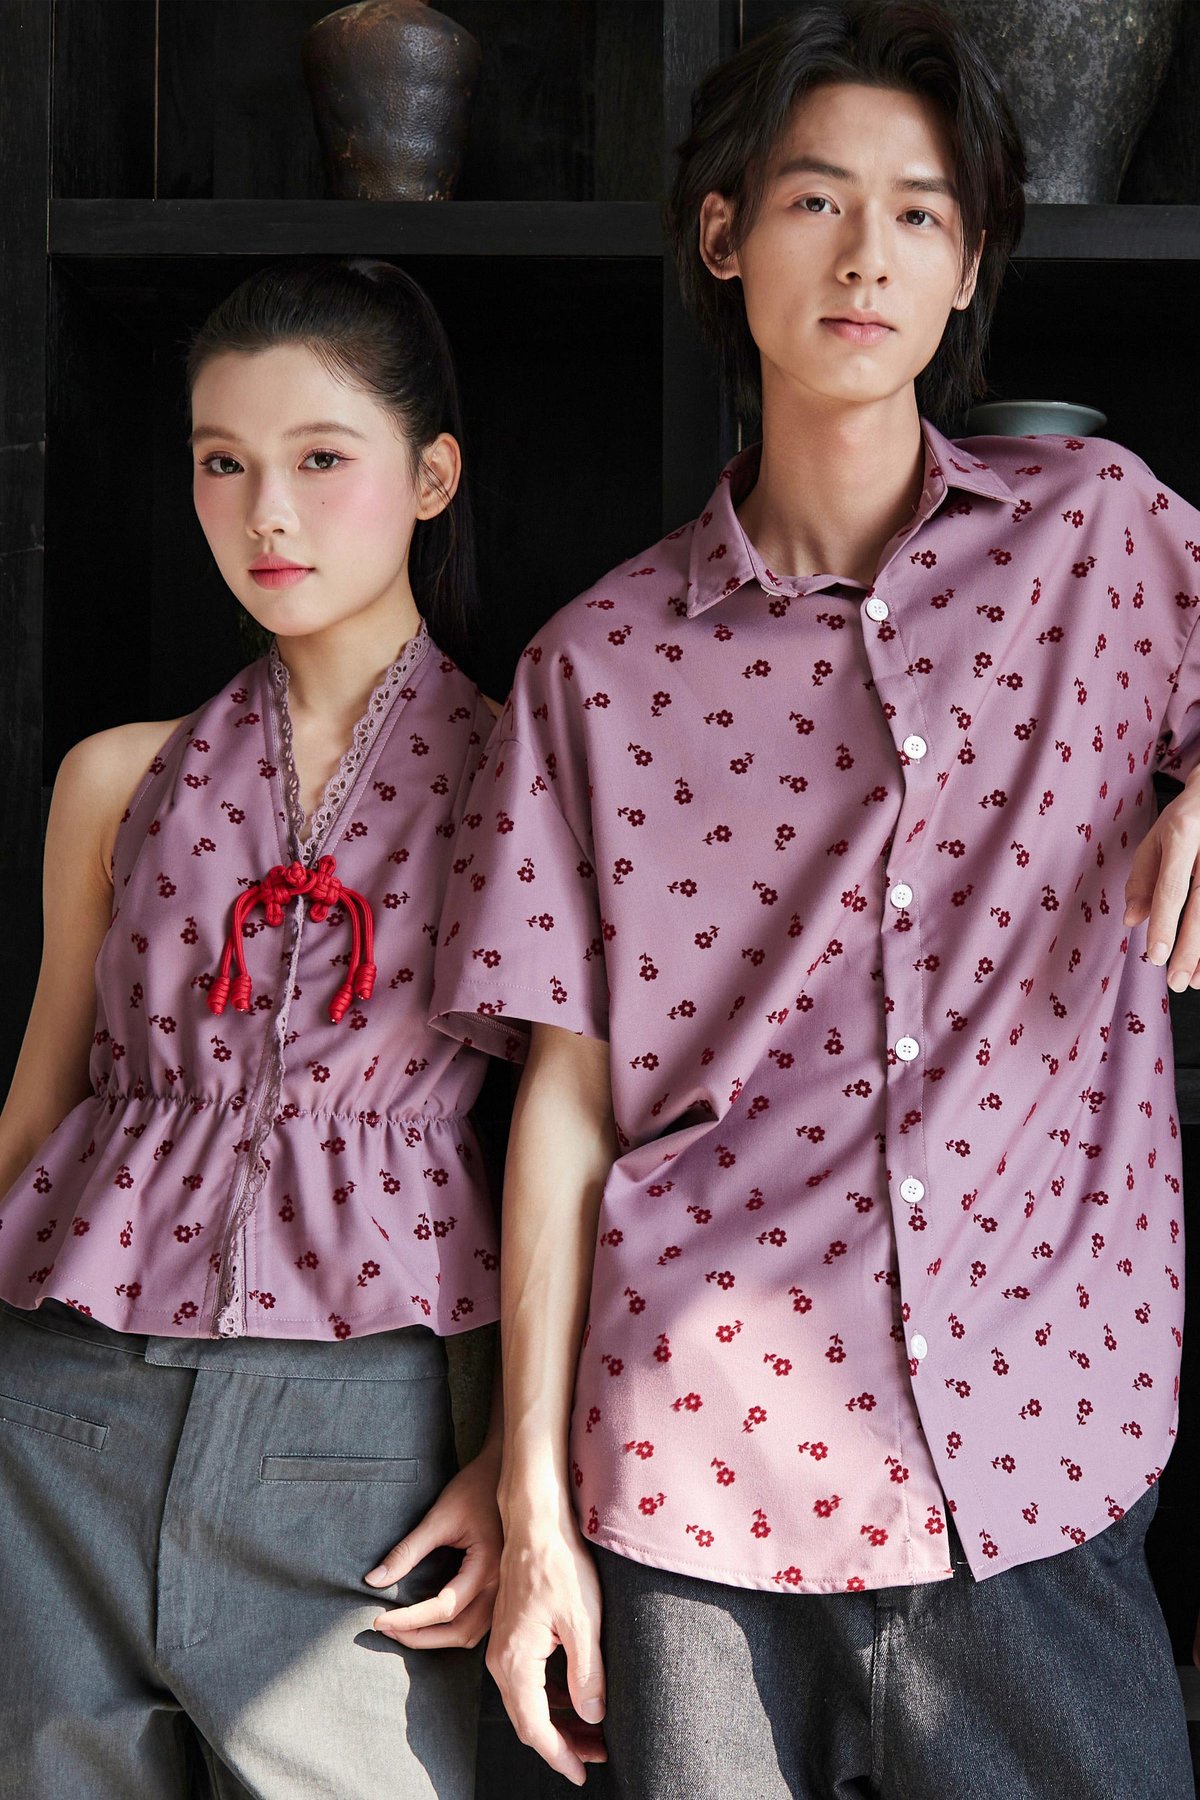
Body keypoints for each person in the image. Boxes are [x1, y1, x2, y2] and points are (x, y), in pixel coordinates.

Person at [429, 4, 1199, 1796]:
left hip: (1040, 1455)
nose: (868, 256)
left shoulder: (1102, 538)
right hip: (701, 1488)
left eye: (922, 214)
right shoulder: (593, 668)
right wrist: (534, 1504)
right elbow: (561, 1107)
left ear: (970, 266)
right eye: (816, 201)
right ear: (724, 234)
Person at [0, 258, 504, 1799]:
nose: (265, 514)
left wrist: (518, 1470)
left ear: (432, 477)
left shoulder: (526, 783)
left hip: (369, 1417)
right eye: (222, 463)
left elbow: (582, 1143)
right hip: (63, 1403)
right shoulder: (116, 779)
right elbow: (38, 1110)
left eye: (319, 459)